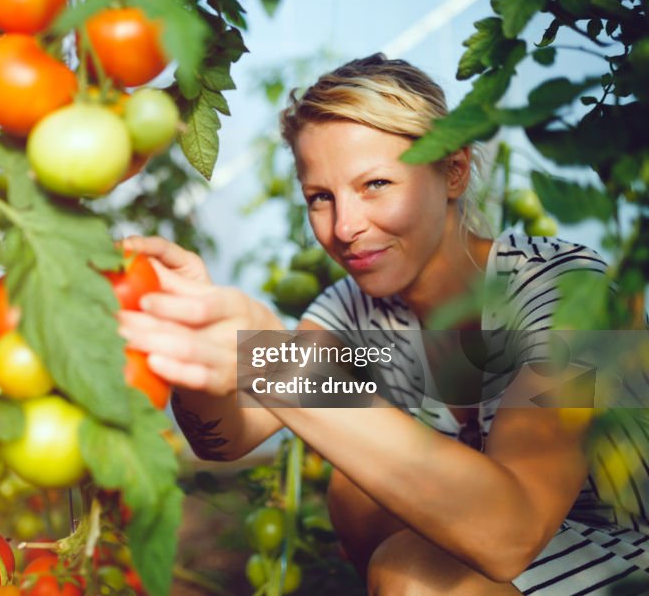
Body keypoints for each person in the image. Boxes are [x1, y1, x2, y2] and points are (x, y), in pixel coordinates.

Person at [118, 55, 649, 595]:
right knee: (358, 492)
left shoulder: (563, 289)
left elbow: (512, 528)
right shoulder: (359, 315)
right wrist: (188, 332)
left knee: (410, 573)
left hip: (626, 565)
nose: (345, 227)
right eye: (320, 198)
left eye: (375, 184)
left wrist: (279, 366)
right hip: (509, 568)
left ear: (453, 172)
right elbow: (228, 438)